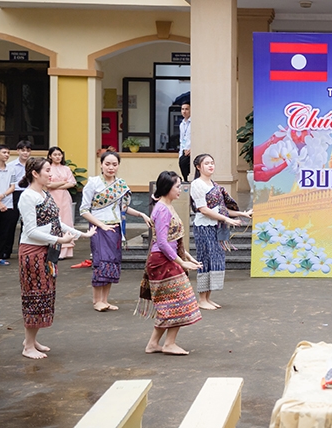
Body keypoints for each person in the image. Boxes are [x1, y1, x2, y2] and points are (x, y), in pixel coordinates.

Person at [18, 157, 95, 359]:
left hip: (46, 252)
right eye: (47, 170)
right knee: (34, 297)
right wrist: (59, 240)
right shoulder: (28, 196)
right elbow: (31, 231)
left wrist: (81, 234)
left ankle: (31, 340)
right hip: (32, 253)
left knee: (45, 296)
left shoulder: (44, 193)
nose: (51, 174)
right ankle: (28, 346)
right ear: (35, 174)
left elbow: (57, 222)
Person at [136, 170, 202, 355]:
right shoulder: (163, 209)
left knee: (170, 302)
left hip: (166, 258)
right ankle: (169, 344)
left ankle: (153, 343)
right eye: (178, 186)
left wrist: (187, 256)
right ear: (167, 188)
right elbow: (163, 242)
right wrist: (181, 262)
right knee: (180, 299)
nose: (180, 190)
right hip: (161, 261)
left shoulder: (166, 206)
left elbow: (172, 239)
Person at [80, 151, 151, 312]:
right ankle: (96, 300)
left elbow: (123, 208)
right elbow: (84, 210)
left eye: (114, 164)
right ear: (101, 164)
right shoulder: (93, 183)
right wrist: (101, 225)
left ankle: (105, 300)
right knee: (101, 262)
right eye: (107, 164)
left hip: (116, 228)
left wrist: (140, 214)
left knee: (112, 263)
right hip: (99, 228)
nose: (111, 167)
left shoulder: (120, 184)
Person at [190, 154, 252, 310]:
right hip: (204, 227)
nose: (211, 166)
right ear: (198, 167)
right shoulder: (197, 184)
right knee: (205, 260)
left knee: (216, 259)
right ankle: (201, 299)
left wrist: (242, 214)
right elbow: (203, 210)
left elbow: (223, 210)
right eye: (207, 163)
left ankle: (208, 298)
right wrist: (227, 220)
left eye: (212, 163)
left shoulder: (214, 185)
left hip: (216, 228)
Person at [46, 147, 76, 259]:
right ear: (50, 156)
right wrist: (63, 182)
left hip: (64, 197)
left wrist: (57, 184)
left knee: (66, 221)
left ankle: (66, 250)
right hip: (52, 197)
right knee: (54, 222)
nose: (58, 157)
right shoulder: (47, 168)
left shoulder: (66, 168)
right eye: (55, 154)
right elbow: (48, 185)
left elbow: (72, 183)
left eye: (59, 154)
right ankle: (54, 249)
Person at [6, 140, 32, 259]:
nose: (25, 153)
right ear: (18, 151)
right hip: (15, 193)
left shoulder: (32, 165)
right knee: (11, 222)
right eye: (23, 150)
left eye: (28, 150)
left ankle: (24, 250)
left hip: (29, 194)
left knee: (26, 223)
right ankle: (7, 250)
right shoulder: (11, 165)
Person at [178, 102, 191, 182]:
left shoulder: (193, 123)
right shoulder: (182, 124)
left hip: (190, 152)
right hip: (183, 151)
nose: (184, 111)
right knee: (183, 168)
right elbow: (181, 140)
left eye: (186, 109)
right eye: (182, 109)